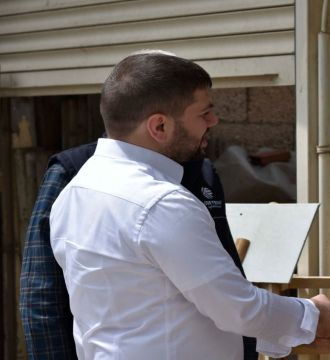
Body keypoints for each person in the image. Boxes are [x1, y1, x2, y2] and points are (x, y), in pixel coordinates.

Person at [47, 51, 330, 359]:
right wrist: (313, 315)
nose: (214, 121)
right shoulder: (161, 203)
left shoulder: (74, 192)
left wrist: (288, 334)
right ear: (159, 127)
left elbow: (161, 307)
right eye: (204, 114)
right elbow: (238, 309)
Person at [19, 142, 259, 359]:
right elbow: (41, 292)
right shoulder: (74, 170)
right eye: (202, 112)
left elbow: (227, 271)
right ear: (158, 121)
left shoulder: (201, 171)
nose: (212, 121)